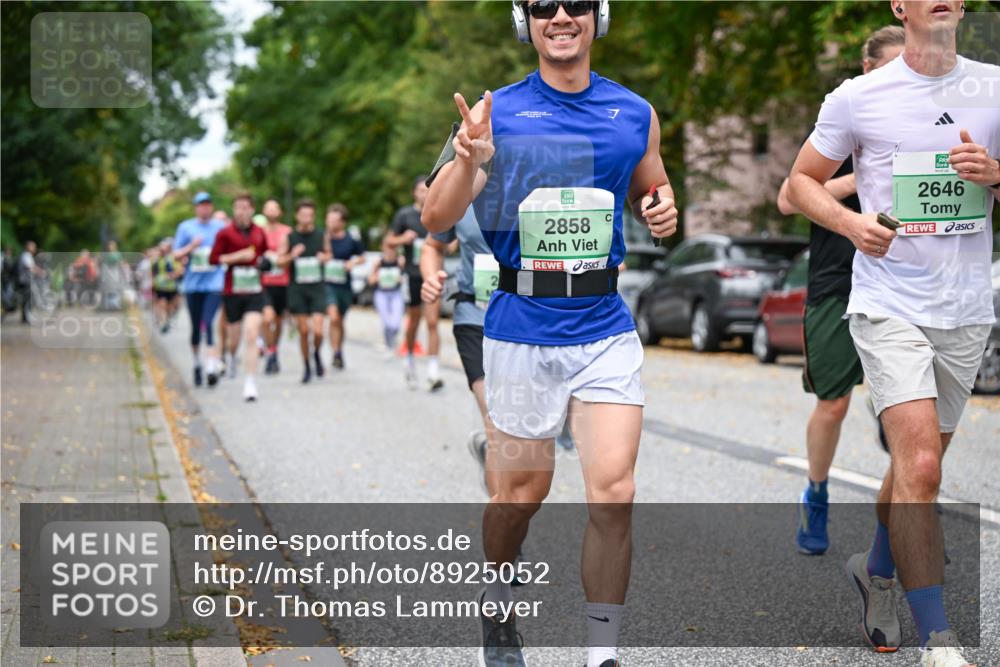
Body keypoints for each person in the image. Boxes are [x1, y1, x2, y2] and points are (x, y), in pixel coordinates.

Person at [421, 2, 679, 665]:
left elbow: (652, 187)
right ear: (525, 21)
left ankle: (601, 652)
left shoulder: (635, 113)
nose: (560, 15)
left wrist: (662, 209)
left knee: (614, 493)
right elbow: (436, 217)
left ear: (599, 16)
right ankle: (497, 594)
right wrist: (467, 159)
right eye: (543, 5)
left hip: (604, 326)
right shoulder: (493, 114)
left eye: (576, 3)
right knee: (519, 496)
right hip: (520, 330)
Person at [786, 1, 999, 662]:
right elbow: (800, 182)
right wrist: (851, 224)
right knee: (923, 466)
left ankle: (876, 571)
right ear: (899, 7)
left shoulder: (993, 87)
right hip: (888, 303)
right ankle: (938, 638)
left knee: (916, 469)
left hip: (965, 309)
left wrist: (997, 176)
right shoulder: (859, 97)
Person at [776, 25, 904, 556]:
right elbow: (788, 198)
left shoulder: (925, 125)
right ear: (868, 69)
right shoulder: (845, 118)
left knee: (908, 407)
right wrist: (862, 177)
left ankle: (911, 508)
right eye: (892, 66)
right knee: (833, 404)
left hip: (901, 284)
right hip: (837, 284)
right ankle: (817, 493)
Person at [387, 176, 443, 391]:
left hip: (434, 275)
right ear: (414, 193)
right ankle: (409, 359)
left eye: (428, 189)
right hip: (412, 275)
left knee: (433, 322)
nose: (425, 194)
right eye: (421, 190)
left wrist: (447, 245)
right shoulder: (405, 215)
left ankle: (433, 371)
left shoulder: (440, 212)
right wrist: (402, 239)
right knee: (414, 320)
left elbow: (452, 241)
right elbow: (389, 241)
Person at [210, 193, 268, 402]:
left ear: (252, 210)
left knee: (251, 334)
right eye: (238, 207)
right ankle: (230, 356)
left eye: (245, 207)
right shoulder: (224, 233)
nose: (241, 211)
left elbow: (265, 255)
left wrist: (264, 263)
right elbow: (213, 259)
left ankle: (250, 382)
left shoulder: (259, 232)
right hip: (233, 291)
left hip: (254, 290)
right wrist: (238, 257)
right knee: (233, 339)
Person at [173, 192, 226, 387]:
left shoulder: (220, 228)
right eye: (201, 205)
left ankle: (211, 365)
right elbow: (176, 254)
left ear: (211, 207)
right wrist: (191, 246)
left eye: (207, 204)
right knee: (196, 328)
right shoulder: (185, 227)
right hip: (193, 285)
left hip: (214, 284)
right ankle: (197, 363)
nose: (205, 208)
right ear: (196, 208)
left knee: (208, 321)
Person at [279, 199, 329, 384]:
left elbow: (329, 254)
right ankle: (307, 366)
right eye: (303, 215)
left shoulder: (321, 235)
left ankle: (316, 353)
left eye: (310, 215)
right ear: (297, 216)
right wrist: (292, 255)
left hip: (317, 287)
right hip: (297, 288)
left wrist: (325, 257)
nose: (306, 218)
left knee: (318, 331)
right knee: (303, 330)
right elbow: (279, 261)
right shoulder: (290, 237)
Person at [323, 203, 366, 370]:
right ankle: (334, 351)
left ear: (342, 222)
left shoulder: (350, 240)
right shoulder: (322, 238)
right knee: (333, 317)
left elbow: (362, 257)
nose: (331, 223)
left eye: (334, 220)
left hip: (344, 285)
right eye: (329, 220)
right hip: (327, 284)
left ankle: (338, 351)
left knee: (340, 320)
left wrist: (352, 263)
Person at [261, 199, 292, 375]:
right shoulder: (258, 232)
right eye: (269, 208)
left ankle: (274, 350)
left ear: (280, 212)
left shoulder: (287, 231)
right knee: (267, 319)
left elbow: (292, 256)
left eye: (275, 208)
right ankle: (269, 350)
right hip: (264, 283)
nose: (272, 212)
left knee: (279, 321)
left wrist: (281, 258)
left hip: (282, 283)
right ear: (264, 211)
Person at [370, 237, 405, 355]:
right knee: (386, 322)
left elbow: (406, 277)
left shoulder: (400, 262)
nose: (390, 250)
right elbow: (370, 280)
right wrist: (377, 278)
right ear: (383, 248)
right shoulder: (378, 263)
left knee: (396, 323)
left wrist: (401, 278)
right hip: (382, 294)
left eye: (392, 248)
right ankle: (389, 344)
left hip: (395, 293)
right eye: (387, 247)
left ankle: (392, 341)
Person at [152, 239, 182, 333]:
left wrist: (172, 275)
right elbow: (152, 272)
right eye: (161, 247)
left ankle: (167, 319)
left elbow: (180, 270)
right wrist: (152, 282)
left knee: (169, 306)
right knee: (162, 303)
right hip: (160, 286)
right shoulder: (156, 259)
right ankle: (163, 322)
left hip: (171, 287)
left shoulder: (173, 258)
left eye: (165, 247)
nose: (163, 249)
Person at [17, 240, 40, 323]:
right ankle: (27, 317)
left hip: (25, 280)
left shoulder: (26, 255)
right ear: (28, 247)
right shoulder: (26, 255)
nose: (34, 248)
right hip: (25, 280)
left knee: (27, 299)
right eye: (33, 246)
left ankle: (25, 317)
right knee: (27, 299)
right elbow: (30, 267)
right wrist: (40, 272)